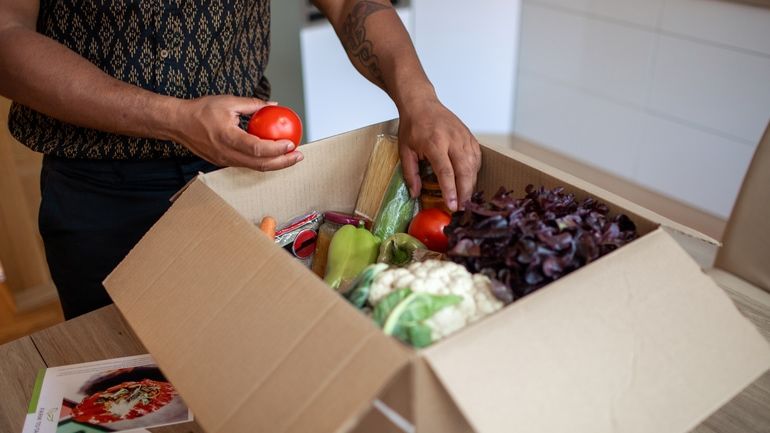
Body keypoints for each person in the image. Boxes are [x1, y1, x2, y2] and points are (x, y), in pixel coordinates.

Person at [0, 0, 481, 319]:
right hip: (102, 191)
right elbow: (6, 31)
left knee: (262, 355)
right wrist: (173, 117)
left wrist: (419, 98)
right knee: (124, 383)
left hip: (249, 175)